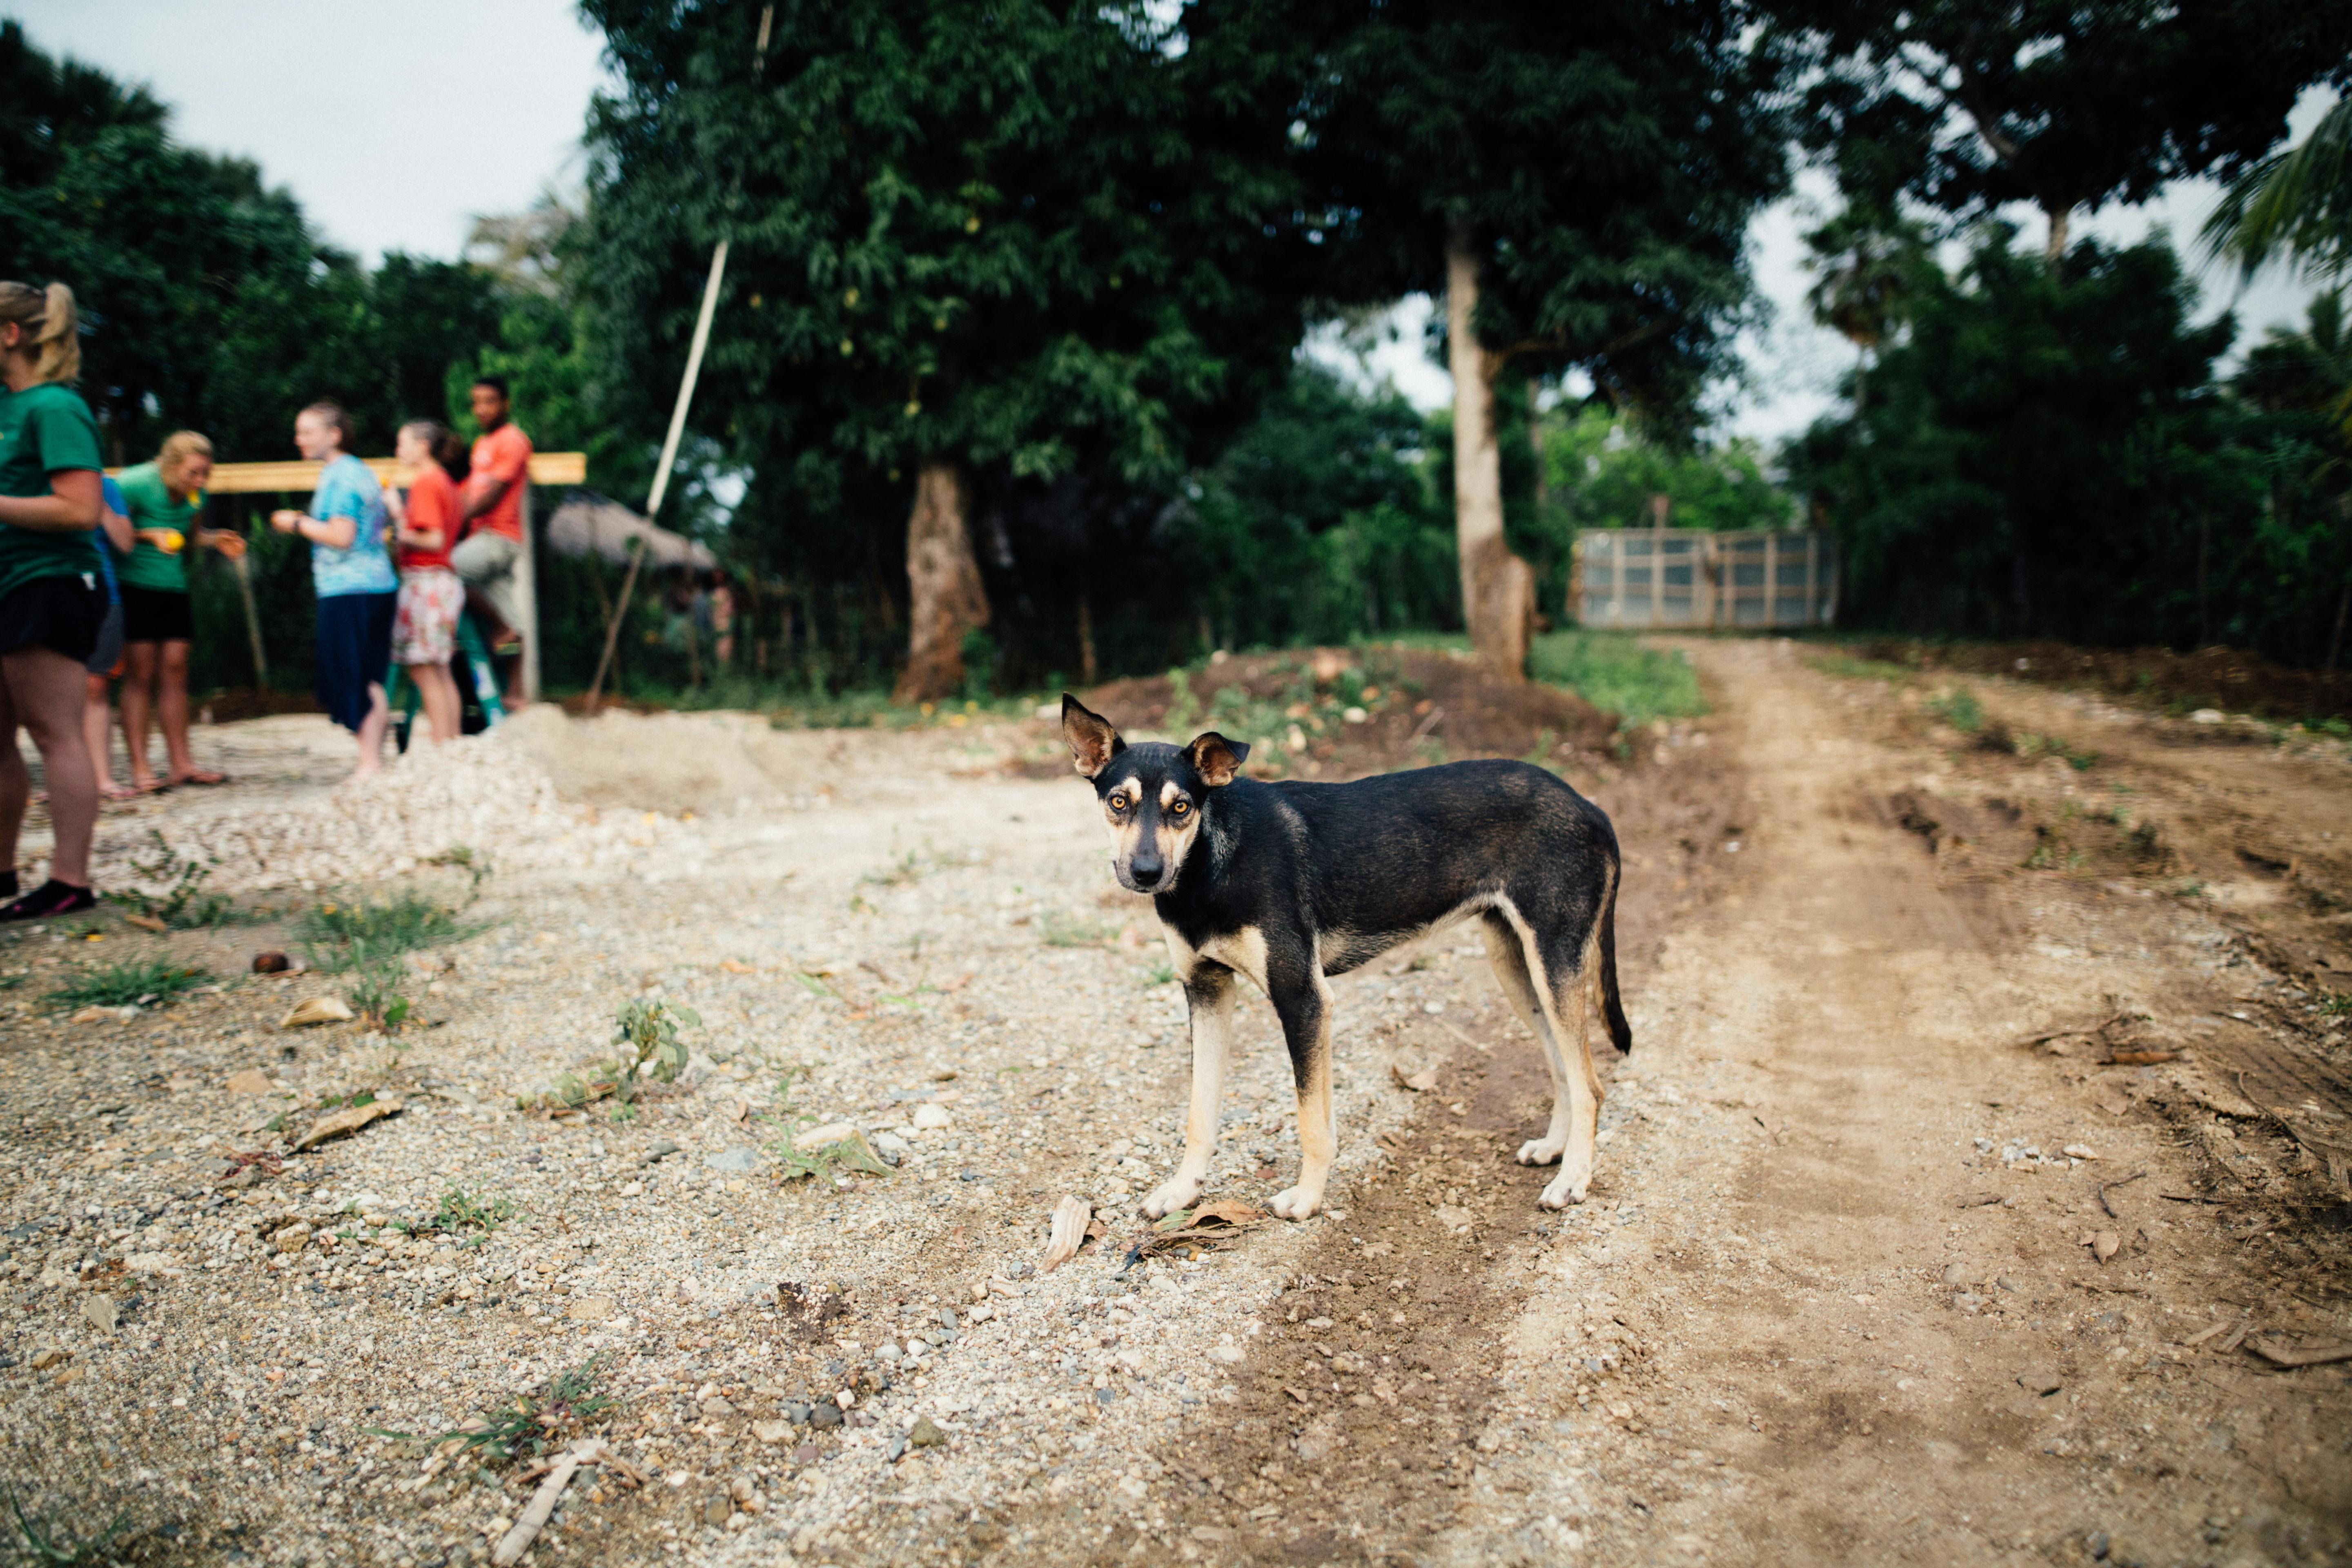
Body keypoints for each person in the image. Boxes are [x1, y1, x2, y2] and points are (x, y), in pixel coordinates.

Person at [0, 280, 106, 920]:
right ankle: (3, 871)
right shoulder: (8, 407)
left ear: (10, 334)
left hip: (48, 582)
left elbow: (81, 508)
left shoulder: (54, 408)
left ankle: (71, 880)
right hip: (8, 582)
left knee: (55, 734)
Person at [271, 401, 396, 778]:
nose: (299, 439)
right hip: (376, 585)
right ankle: (371, 760)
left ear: (334, 434)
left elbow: (342, 536)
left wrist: (295, 522)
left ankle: (370, 764)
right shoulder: (361, 472)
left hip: (349, 589)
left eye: (308, 432)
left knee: (353, 675)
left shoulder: (340, 478)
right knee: (368, 675)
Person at [114, 430, 243, 789]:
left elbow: (189, 536)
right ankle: (140, 768)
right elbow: (106, 529)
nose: (200, 481)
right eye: (193, 473)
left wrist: (216, 539)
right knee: (140, 674)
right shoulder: (134, 483)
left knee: (176, 670)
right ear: (170, 466)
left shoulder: (195, 494)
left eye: (205, 474)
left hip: (174, 586)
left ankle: (181, 764)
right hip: (135, 585)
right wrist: (147, 535)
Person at [382, 420, 467, 744]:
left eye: (403, 443)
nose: (398, 450)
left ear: (423, 446)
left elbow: (432, 539)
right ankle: (451, 744)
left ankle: (442, 746)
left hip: (426, 582)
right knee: (439, 669)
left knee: (423, 668)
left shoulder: (427, 482)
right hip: (442, 581)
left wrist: (395, 522)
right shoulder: (444, 481)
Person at [452, 376, 532, 708]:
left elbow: (491, 497)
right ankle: (516, 692)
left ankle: (498, 629)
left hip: (500, 538)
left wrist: (450, 519)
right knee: (514, 623)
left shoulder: (513, 441)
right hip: (482, 537)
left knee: (446, 570)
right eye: (477, 402)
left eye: (490, 401)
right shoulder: (482, 446)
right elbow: (469, 490)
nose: (482, 409)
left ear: (506, 404)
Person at [82, 474, 133, 800]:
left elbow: (125, 543)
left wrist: (94, 503)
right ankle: (66, 780)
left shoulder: (107, 487)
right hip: (46, 594)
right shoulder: (25, 476)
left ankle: (101, 778)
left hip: (103, 596)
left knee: (96, 687)